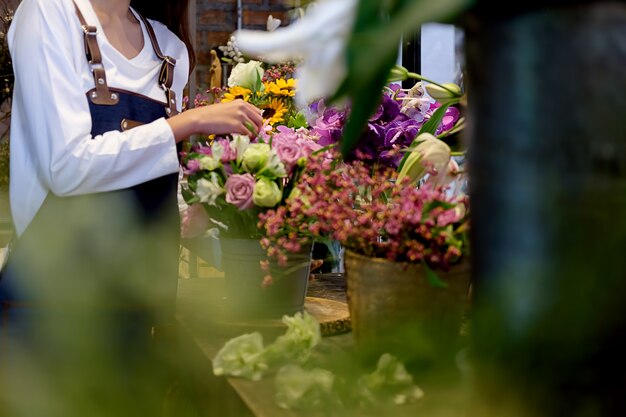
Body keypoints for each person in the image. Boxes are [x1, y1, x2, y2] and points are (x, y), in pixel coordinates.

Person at [0, 0, 263, 415]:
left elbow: (155, 186)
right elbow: (65, 167)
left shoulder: (168, 48)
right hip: (51, 307)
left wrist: (238, 224)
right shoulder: (47, 13)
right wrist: (186, 122)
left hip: (140, 309)